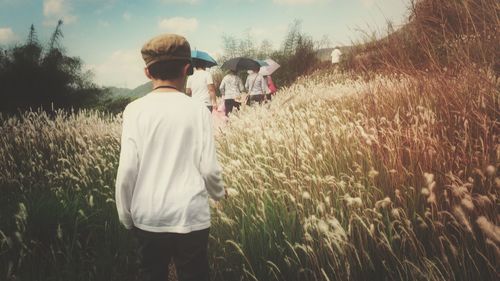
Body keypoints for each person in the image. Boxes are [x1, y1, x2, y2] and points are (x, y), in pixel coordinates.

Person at [115, 33, 225, 281]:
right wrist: (218, 193)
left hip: (148, 216)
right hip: (190, 215)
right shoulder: (198, 110)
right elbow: (208, 169)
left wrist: (125, 214)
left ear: (146, 73)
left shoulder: (134, 111)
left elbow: (127, 172)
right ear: (188, 69)